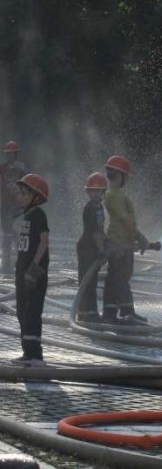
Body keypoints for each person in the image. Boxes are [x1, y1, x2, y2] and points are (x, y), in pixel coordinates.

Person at [102, 156, 150, 324]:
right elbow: (126, 221)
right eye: (126, 175)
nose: (127, 179)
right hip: (121, 245)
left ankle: (109, 313)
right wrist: (141, 237)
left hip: (121, 243)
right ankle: (128, 313)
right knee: (121, 279)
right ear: (119, 175)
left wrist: (135, 239)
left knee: (113, 279)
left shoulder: (115, 194)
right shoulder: (113, 195)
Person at [13, 174, 49, 366]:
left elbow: (44, 241)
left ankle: (35, 355)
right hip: (22, 271)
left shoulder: (38, 215)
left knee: (32, 311)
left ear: (36, 197)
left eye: (24, 193)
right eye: (19, 193)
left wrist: (34, 267)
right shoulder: (26, 215)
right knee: (21, 311)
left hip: (34, 273)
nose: (19, 197)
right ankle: (27, 352)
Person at [76, 172, 108, 323]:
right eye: (93, 191)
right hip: (86, 249)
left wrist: (106, 243)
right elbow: (95, 232)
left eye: (99, 191)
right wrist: (102, 251)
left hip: (94, 248)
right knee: (86, 281)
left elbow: (101, 230)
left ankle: (91, 311)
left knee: (92, 281)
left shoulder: (100, 208)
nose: (96, 194)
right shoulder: (89, 209)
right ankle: (84, 312)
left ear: (103, 192)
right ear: (88, 192)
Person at [0, 141, 28, 274]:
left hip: (16, 204)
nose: (10, 155)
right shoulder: (2, 168)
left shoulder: (21, 168)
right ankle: (7, 261)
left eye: (12, 153)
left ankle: (19, 258)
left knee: (12, 231)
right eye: (8, 153)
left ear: (16, 154)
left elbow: (26, 185)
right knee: (7, 232)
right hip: (4, 204)